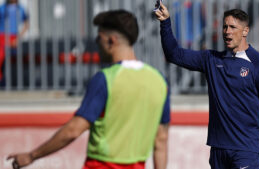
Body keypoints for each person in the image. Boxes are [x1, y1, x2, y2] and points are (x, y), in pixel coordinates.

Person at [7, 10, 170, 169]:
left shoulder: (106, 78)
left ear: (111, 41)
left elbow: (73, 130)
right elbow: (161, 140)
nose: (96, 43)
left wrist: (32, 155)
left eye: (99, 38)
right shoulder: (159, 81)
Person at [155, 2, 259, 169]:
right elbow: (174, 54)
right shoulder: (212, 60)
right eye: (225, 27)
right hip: (218, 150)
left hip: (246, 151)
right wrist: (165, 23)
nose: (227, 31)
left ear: (245, 31)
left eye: (233, 27)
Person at [0, 0, 29, 84]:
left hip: (13, 37)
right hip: (2, 36)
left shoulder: (20, 8)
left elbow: (27, 23)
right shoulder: (2, 8)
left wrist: (19, 38)